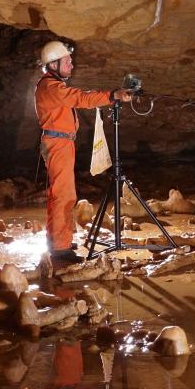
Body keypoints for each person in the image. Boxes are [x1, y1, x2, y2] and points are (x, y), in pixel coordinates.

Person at [35, 39, 132, 263]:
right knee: (63, 195)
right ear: (53, 64)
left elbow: (78, 97)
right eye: (67, 62)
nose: (72, 65)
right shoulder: (51, 86)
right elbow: (81, 98)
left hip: (61, 143)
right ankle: (60, 248)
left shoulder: (51, 85)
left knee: (60, 194)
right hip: (58, 144)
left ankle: (59, 240)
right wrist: (112, 95)